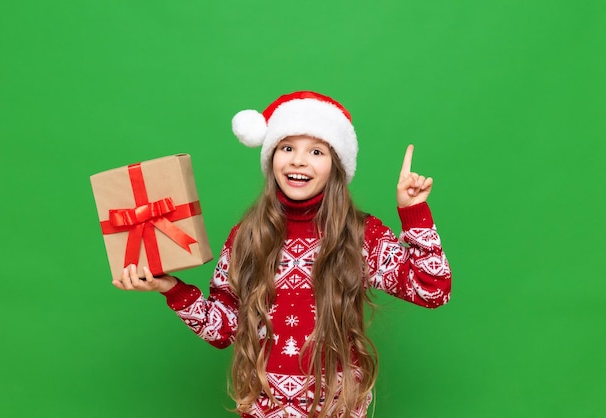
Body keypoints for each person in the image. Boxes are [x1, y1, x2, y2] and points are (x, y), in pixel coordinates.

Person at [113, 91, 452, 418]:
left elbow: (433, 289)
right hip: (263, 408)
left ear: (336, 165)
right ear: (272, 157)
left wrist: (414, 211)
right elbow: (224, 330)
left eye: (316, 151)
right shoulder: (247, 236)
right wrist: (170, 288)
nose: (298, 160)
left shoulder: (361, 236)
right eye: (287, 147)